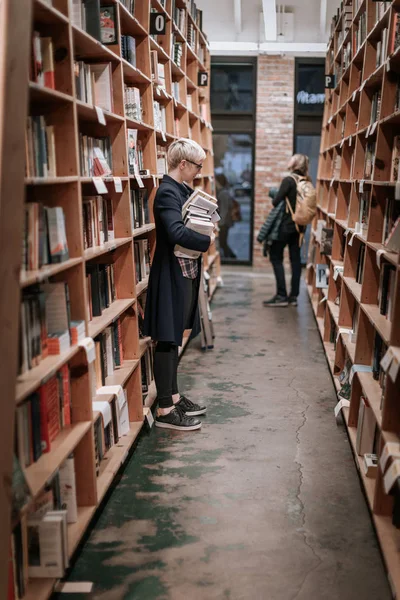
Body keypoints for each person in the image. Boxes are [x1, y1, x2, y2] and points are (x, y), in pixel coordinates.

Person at [143, 139, 215, 431]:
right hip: (171, 272)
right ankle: (164, 410)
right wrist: (206, 240)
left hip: (183, 270)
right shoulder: (167, 192)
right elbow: (174, 231)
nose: (199, 171)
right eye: (197, 166)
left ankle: (172, 395)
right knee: (167, 336)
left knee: (174, 336)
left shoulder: (182, 190)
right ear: (182, 165)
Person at [263, 154, 309, 308]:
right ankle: (293, 297)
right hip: (299, 227)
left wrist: (275, 193)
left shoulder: (289, 180)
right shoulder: (305, 181)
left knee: (275, 257)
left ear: (295, 163)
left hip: (285, 226)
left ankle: (281, 295)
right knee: (295, 260)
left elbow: (276, 202)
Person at [216, 173, 236, 259]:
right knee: (223, 242)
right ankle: (230, 256)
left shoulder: (223, 193)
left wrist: (220, 222)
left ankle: (230, 257)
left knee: (222, 242)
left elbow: (224, 209)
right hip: (225, 222)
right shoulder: (224, 192)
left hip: (223, 223)